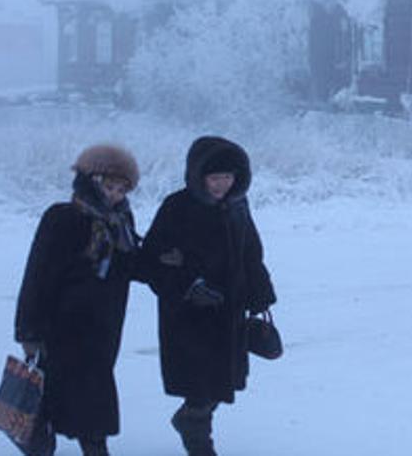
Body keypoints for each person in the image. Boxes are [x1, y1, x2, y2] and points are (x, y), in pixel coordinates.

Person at [141, 136, 277, 456]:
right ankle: (200, 444)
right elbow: (151, 260)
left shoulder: (237, 205)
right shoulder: (177, 207)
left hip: (229, 311)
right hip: (190, 316)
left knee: (222, 383)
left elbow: (251, 253)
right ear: (199, 175)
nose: (221, 185)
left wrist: (260, 292)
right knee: (201, 385)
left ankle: (190, 421)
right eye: (215, 178)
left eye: (228, 177)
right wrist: (188, 286)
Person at [14, 144, 142, 456]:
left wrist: (169, 260)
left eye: (121, 189)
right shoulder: (62, 218)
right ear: (89, 181)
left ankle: (93, 445)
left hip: (103, 327)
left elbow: (131, 266)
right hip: (60, 325)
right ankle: (53, 446)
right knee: (48, 396)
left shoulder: (121, 222)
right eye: (108, 186)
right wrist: (28, 331)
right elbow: (38, 275)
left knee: (92, 391)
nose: (114, 195)